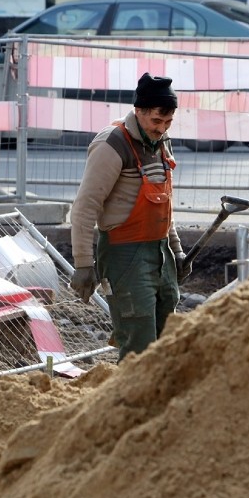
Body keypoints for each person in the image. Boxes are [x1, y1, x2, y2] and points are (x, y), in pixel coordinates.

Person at [69, 72, 190, 361]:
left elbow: (164, 204)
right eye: (156, 121)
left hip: (161, 253)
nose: (161, 128)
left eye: (168, 122)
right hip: (125, 255)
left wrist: (177, 250)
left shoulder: (161, 142)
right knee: (139, 346)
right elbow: (85, 208)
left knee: (167, 340)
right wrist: (84, 264)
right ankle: (133, 403)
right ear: (139, 111)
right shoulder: (112, 144)